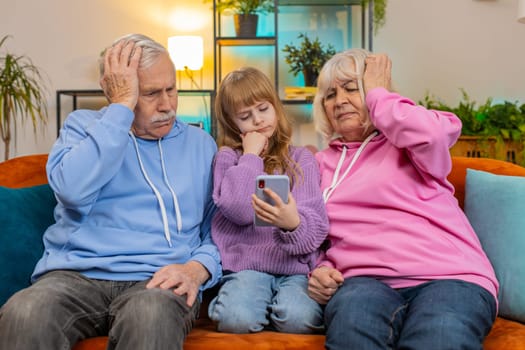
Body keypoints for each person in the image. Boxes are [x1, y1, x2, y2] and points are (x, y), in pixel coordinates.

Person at [0, 33, 221, 350]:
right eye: (150, 93)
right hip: (73, 276)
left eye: (171, 90)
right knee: (25, 312)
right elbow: (72, 191)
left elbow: (218, 228)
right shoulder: (82, 127)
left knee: (150, 314)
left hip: (158, 279)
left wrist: (197, 269)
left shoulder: (200, 145)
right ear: (119, 91)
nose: (167, 105)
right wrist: (120, 112)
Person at [307, 49, 498, 350]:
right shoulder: (317, 164)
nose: (340, 100)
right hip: (363, 281)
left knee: (438, 339)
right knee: (351, 333)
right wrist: (318, 268)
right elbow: (308, 230)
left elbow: (434, 135)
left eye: (352, 88)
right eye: (330, 94)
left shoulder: (409, 140)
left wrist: (380, 97)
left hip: (448, 276)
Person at [208, 66, 329, 334]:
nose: (258, 120)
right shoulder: (228, 158)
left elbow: (316, 228)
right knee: (237, 318)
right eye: (245, 116)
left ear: (275, 107)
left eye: (263, 109)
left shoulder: (300, 159)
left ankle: (273, 307)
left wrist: (293, 223)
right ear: (232, 123)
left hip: (294, 267)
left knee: (300, 319)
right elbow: (239, 211)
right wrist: (251, 156)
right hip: (245, 267)